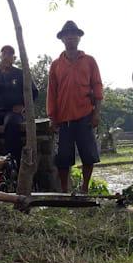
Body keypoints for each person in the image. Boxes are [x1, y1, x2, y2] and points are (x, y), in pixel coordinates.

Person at [47, 21, 103, 194]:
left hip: (85, 115)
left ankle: (85, 189)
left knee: (88, 155)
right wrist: (51, 117)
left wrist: (96, 114)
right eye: (67, 34)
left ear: (79, 38)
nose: (70, 37)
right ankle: (65, 191)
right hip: (64, 119)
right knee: (63, 157)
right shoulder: (56, 65)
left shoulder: (89, 61)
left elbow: (98, 87)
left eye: (74, 34)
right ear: (62, 39)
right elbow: (52, 93)